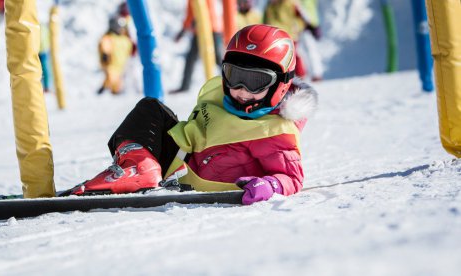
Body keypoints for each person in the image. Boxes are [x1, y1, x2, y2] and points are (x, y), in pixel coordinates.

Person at [67, 25, 318, 205]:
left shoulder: (273, 131)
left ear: (281, 84)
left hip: (193, 178)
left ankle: (142, 173)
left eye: (256, 81)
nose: (241, 90)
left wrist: (271, 185)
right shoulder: (221, 96)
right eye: (235, 76)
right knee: (150, 108)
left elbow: (292, 178)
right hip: (177, 159)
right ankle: (138, 168)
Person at [170, 0, 224, 94]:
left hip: (210, 28)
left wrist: (183, 31)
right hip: (202, 28)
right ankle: (185, 86)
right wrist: (183, 30)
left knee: (216, 58)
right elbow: (191, 12)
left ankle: (231, 81)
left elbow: (205, 9)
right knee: (191, 58)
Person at [263, 0, 307, 79]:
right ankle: (279, 79)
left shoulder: (291, 3)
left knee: (292, 56)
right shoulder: (269, 6)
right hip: (274, 37)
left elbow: (301, 18)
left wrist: (297, 28)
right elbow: (265, 20)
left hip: (289, 35)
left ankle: (300, 77)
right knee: (275, 58)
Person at [97, 16, 134, 95]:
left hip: (120, 66)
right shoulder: (109, 37)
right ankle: (102, 91)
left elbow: (130, 47)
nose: (121, 29)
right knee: (111, 79)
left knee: (117, 83)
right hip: (110, 64)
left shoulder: (124, 39)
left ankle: (113, 93)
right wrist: (105, 54)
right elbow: (105, 45)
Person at [298, 0, 324, 81]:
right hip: (304, 24)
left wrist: (313, 24)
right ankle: (309, 74)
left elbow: (306, 9)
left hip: (307, 25)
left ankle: (316, 74)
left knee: (309, 50)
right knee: (304, 51)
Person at [39, 23, 52, 93]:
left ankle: (46, 87)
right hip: (40, 51)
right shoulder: (42, 27)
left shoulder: (42, 27)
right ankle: (43, 86)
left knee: (44, 69)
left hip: (42, 51)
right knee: (43, 69)